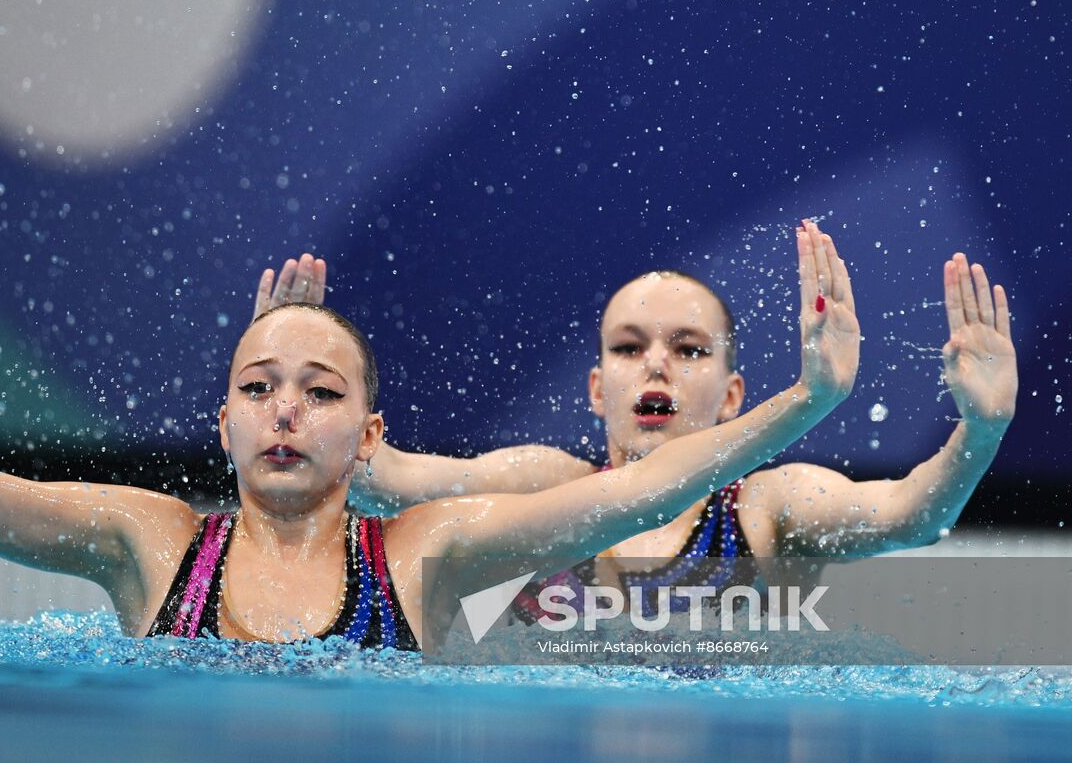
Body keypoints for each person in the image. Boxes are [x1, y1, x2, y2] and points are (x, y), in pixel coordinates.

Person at [0, 169, 859, 648]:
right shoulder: (148, 545)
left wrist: (809, 398)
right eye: (256, 389)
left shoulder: (422, 553)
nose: (282, 412)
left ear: (367, 438)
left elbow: (636, 489)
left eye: (316, 391)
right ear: (221, 423)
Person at [255, 234, 1015, 608]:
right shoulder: (540, 487)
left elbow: (915, 515)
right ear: (595, 387)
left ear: (731, 396)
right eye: (629, 348)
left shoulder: (768, 509)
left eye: (688, 350)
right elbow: (379, 481)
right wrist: (291, 387)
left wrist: (979, 431)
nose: (655, 366)